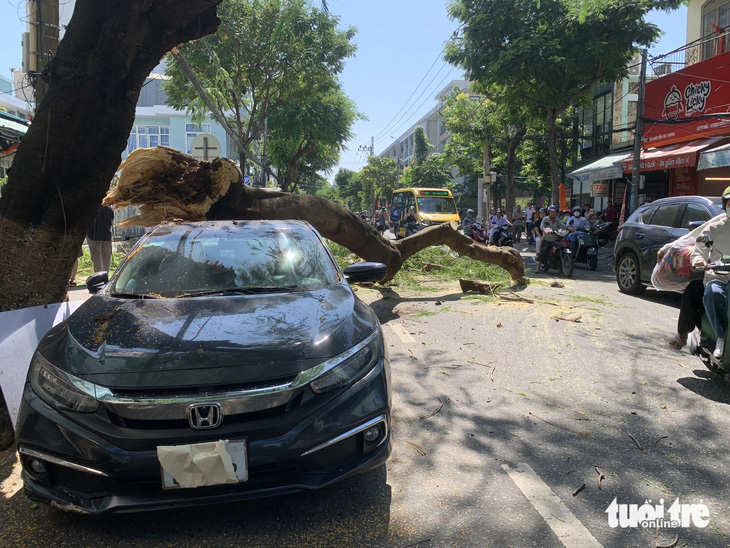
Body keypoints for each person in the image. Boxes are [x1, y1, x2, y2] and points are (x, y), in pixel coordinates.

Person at [690, 186, 730, 358]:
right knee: (712, 293)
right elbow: (699, 249)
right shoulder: (713, 228)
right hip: (719, 277)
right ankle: (721, 336)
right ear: (725, 205)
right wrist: (699, 260)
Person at [87, 204, 115, 273]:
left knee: (97, 258)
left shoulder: (91, 206)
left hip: (94, 236)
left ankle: (99, 278)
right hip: (107, 236)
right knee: (106, 258)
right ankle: (106, 276)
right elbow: (111, 220)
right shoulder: (110, 207)